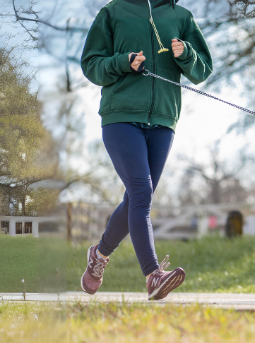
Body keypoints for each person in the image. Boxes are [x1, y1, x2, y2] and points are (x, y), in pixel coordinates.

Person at [79, 0, 213, 300]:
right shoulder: (113, 12)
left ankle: (98, 256)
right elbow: (91, 64)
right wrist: (122, 62)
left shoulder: (181, 16)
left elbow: (202, 69)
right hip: (121, 118)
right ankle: (153, 275)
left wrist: (186, 54)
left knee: (135, 198)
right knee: (142, 193)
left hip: (164, 121)